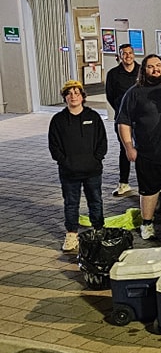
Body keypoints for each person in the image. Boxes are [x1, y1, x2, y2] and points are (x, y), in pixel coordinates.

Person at [116, 53, 161, 241]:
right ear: (144, 70)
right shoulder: (134, 93)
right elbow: (123, 122)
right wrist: (128, 147)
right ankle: (147, 224)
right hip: (149, 153)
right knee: (149, 190)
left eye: (158, 65)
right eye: (150, 67)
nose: (155, 69)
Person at [48, 80, 107, 252]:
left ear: (82, 96)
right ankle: (71, 235)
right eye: (69, 93)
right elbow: (54, 146)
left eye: (76, 93)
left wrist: (96, 159)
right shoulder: (58, 120)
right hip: (69, 172)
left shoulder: (93, 117)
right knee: (71, 203)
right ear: (65, 97)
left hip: (92, 170)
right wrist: (65, 162)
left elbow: (102, 141)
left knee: (95, 201)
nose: (73, 96)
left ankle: (98, 230)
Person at [104, 43, 139, 196]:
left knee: (143, 149)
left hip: (141, 118)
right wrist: (122, 110)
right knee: (125, 148)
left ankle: (144, 181)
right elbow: (110, 96)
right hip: (123, 118)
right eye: (124, 53)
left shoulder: (141, 71)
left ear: (134, 54)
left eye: (130, 53)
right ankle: (123, 183)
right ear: (119, 56)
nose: (128, 56)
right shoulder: (113, 74)